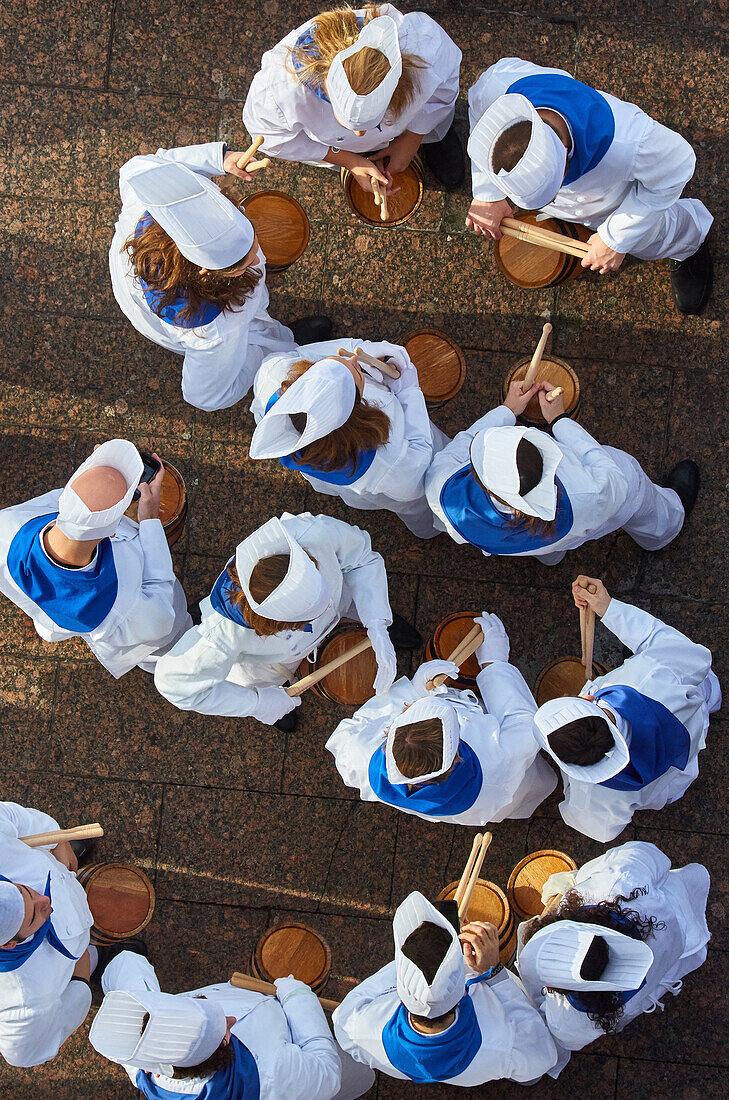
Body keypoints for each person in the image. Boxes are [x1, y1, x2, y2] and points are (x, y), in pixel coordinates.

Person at [466, 57, 713, 314]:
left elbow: (678, 165)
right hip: (584, 194)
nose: (550, 202)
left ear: (563, 151)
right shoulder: (495, 88)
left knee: (651, 236)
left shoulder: (629, 144)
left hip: (614, 196)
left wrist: (615, 239)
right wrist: (489, 194)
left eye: (551, 193)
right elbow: (480, 116)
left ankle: (690, 242)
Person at [110, 141, 330, 412]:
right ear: (209, 273)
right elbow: (204, 397)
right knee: (269, 340)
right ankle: (284, 349)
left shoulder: (149, 196)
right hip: (184, 325)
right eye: (248, 261)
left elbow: (139, 166)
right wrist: (259, 353)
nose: (261, 258)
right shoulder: (214, 329)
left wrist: (219, 160)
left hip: (127, 280)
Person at [154, 512, 420, 730]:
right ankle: (276, 700)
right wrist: (258, 703)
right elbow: (175, 685)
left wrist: (375, 619)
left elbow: (360, 557)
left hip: (339, 606)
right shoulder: (222, 633)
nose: (327, 608)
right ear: (272, 624)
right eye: (310, 616)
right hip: (268, 661)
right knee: (259, 681)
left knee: (355, 603)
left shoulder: (314, 534)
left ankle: (382, 623)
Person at [424, 378, 699, 564]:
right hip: (583, 515)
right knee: (635, 486)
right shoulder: (585, 492)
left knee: (548, 549)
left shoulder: (441, 488)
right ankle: (664, 528)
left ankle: (551, 558)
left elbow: (463, 443)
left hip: (514, 540)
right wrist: (560, 420)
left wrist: (507, 409)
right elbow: (613, 473)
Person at [532, 576, 721, 841]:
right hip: (691, 713)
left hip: (669, 780)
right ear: (586, 700)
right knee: (704, 689)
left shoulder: (595, 795)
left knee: (671, 786)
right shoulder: (652, 675)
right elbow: (689, 654)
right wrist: (607, 606)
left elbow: (600, 829)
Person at [326, 612, 556, 822]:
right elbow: (524, 724)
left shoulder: (359, 754)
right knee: (525, 790)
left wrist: (413, 691)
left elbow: (352, 729)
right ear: (457, 754)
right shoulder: (497, 765)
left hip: (474, 808)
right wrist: (494, 665)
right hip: (497, 793)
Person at [516, 841, 711, 1077]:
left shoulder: (571, 1020)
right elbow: (656, 859)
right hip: (677, 922)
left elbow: (563, 1038)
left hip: (663, 966)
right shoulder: (621, 880)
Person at [0, 440, 190, 678]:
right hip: (138, 630)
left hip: (54, 612)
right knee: (167, 644)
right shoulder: (123, 607)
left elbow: (82, 504)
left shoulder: (6, 526)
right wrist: (149, 521)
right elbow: (162, 606)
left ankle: (51, 623)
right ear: (113, 531)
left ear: (63, 499)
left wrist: (100, 477)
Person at [333, 891, 557, 1085]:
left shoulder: (356, 1025)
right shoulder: (506, 1042)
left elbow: (348, 1020)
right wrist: (495, 973)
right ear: (463, 989)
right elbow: (542, 1059)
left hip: (473, 1069)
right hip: (499, 1062)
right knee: (529, 1078)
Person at [89, 948, 375, 1099]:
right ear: (220, 1056)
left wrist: (118, 957)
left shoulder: (142, 1050)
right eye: (224, 1031)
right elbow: (326, 1072)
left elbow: (126, 968)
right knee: (359, 1073)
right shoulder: (273, 1074)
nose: (231, 1019)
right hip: (293, 1035)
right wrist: (298, 997)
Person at [242, 5, 464, 194]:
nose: (359, 134)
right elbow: (270, 137)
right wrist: (349, 160)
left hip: (413, 130)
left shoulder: (423, 46)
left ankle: (435, 139)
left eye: (373, 122)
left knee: (433, 123)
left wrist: (413, 138)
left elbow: (443, 88)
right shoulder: (281, 91)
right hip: (339, 149)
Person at [250, 338, 449, 538]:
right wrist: (409, 392)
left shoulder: (274, 375)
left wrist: (356, 347)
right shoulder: (383, 459)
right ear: (356, 410)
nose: (354, 360)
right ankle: (429, 530)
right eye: (355, 372)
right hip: (396, 484)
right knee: (416, 506)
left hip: (343, 484)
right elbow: (416, 473)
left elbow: (299, 354)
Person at [0, 800, 95, 1067]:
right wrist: (80, 980)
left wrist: (56, 840)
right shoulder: (23, 1002)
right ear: (8, 944)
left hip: (60, 863)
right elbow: (24, 1053)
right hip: (77, 959)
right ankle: (102, 954)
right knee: (92, 955)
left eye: (23, 890)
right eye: (32, 917)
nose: (45, 902)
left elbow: (7, 815)